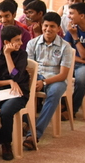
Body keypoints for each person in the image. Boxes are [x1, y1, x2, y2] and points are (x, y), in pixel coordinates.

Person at [25, 12, 72, 150]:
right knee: (21, 89)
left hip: (55, 79)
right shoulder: (32, 43)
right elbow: (29, 68)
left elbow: (63, 75)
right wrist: (35, 80)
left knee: (55, 93)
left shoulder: (65, 47)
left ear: (58, 28)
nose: (48, 29)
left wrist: (44, 82)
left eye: (52, 26)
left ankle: (34, 133)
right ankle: (26, 122)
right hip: (36, 76)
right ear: (41, 25)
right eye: (46, 25)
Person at [0, 25, 30, 161]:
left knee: (5, 112)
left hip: (19, 93)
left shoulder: (22, 55)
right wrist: (8, 82)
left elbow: (15, 76)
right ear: (6, 42)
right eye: (17, 40)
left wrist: (7, 55)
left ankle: (6, 144)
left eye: (20, 39)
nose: (21, 43)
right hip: (1, 92)